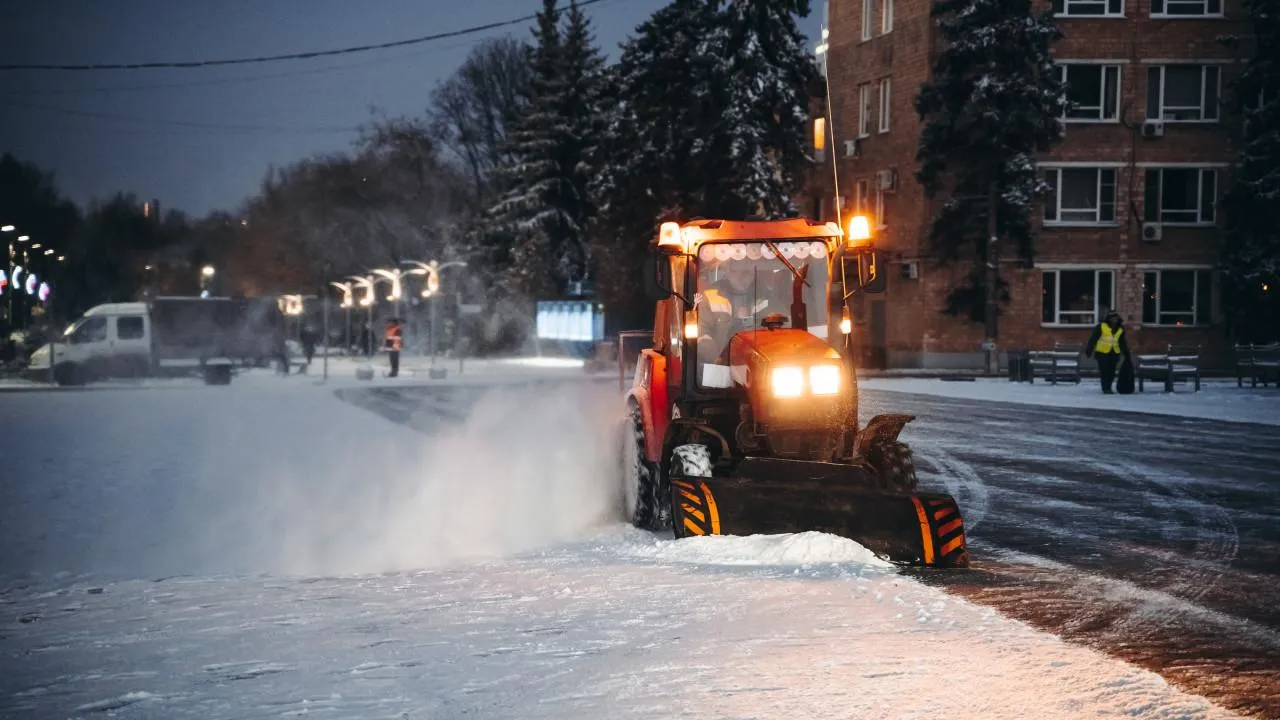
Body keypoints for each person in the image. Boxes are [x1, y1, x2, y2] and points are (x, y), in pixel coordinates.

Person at [1085, 309, 1132, 394]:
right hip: (1102, 353)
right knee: (1104, 371)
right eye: (1112, 318)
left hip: (1114, 353)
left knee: (1111, 371)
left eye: (1115, 318)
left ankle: (1109, 386)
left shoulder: (1120, 328)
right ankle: (1105, 388)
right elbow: (1093, 339)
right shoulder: (1101, 327)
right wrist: (1089, 350)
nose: (1114, 320)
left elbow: (1122, 342)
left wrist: (1126, 353)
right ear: (1108, 319)